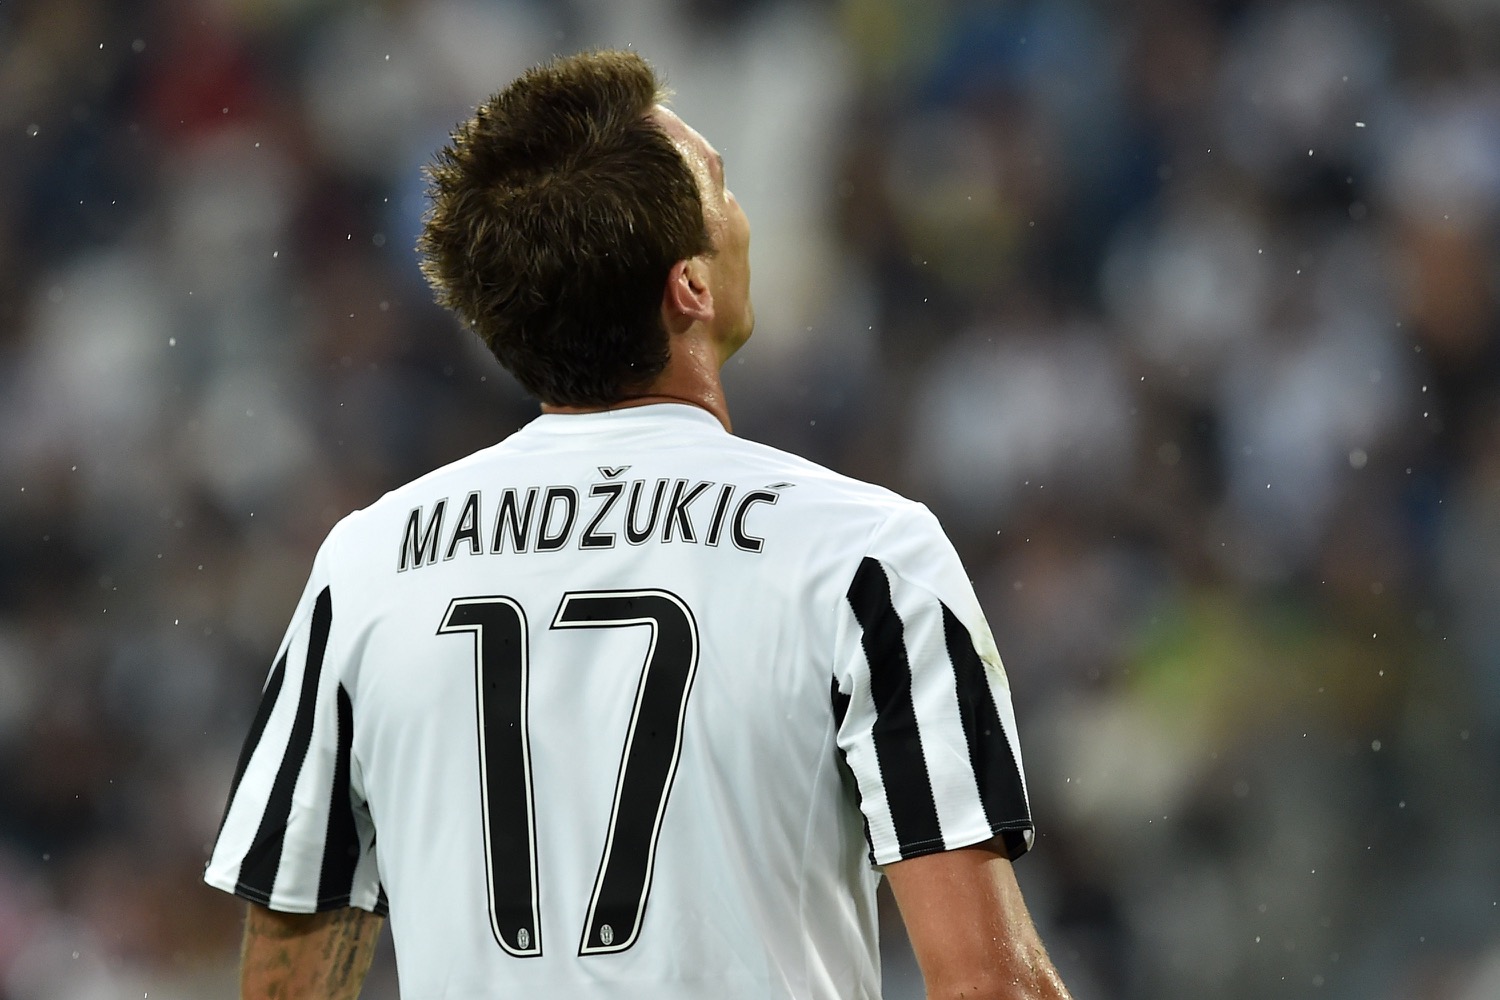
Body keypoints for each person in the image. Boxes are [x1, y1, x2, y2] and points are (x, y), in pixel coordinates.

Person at [204, 49, 1074, 1000]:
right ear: (689, 284)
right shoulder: (863, 555)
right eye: (722, 184)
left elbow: (286, 977)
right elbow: (986, 986)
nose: (743, 212)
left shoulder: (368, 566)